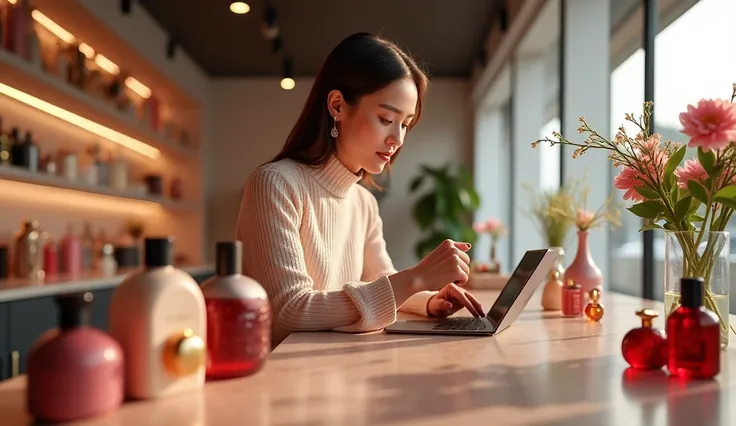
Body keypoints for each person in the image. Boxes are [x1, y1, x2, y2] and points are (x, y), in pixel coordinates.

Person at [236, 32, 484, 348]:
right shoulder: (274, 185)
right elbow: (288, 311)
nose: (398, 139)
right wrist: (416, 278)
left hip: (337, 369)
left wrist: (428, 300)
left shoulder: (363, 202)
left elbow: (380, 278)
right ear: (337, 105)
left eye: (406, 123)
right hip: (288, 380)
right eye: (386, 118)